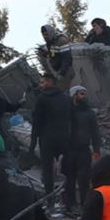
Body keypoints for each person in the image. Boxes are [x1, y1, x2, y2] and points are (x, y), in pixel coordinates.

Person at [30, 73, 72, 202]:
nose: (40, 85)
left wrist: (32, 144)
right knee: (68, 168)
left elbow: (37, 122)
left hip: (47, 139)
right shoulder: (65, 97)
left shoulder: (42, 99)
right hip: (64, 138)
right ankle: (70, 199)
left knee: (48, 171)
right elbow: (71, 118)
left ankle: (50, 201)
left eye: (42, 82)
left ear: (50, 82)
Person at [63, 86, 101, 212]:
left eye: (85, 93)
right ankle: (71, 204)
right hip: (68, 151)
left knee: (84, 179)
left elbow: (95, 132)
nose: (84, 96)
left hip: (84, 150)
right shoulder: (66, 112)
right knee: (69, 179)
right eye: (81, 94)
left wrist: (96, 150)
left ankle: (85, 205)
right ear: (74, 95)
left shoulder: (89, 112)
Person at [38, 25, 74, 92]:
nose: (45, 37)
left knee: (62, 92)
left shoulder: (61, 40)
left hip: (66, 71)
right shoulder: (51, 42)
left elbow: (67, 58)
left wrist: (62, 73)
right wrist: (46, 54)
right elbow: (54, 55)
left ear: (51, 32)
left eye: (46, 34)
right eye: (43, 35)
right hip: (58, 71)